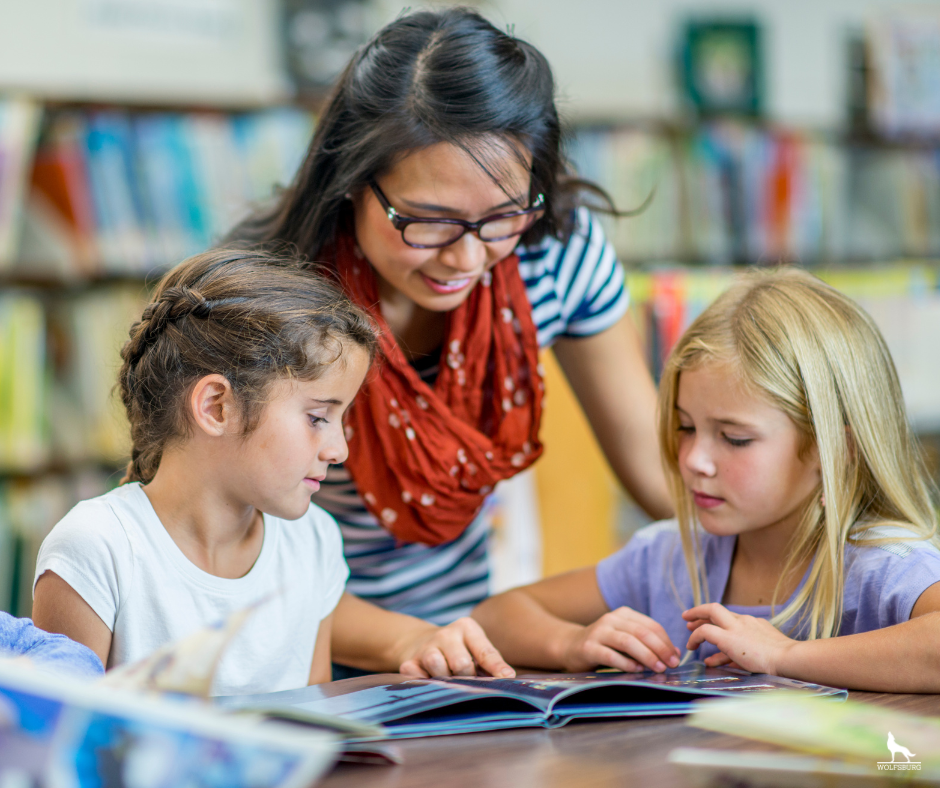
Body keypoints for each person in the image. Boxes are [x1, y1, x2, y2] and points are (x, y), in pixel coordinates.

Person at [228, 8, 671, 632]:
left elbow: (662, 473)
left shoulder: (555, 256)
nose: (466, 259)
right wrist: (420, 644)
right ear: (354, 178)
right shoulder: (264, 301)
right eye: (427, 220)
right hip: (297, 648)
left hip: (455, 649)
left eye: (502, 216)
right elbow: (218, 557)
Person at [31, 249, 513, 696]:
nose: (340, 450)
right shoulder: (95, 548)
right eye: (318, 418)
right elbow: (59, 749)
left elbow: (318, 731)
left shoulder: (314, 541)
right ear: (217, 407)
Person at [473, 268, 940, 692]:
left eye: (734, 439)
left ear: (834, 451)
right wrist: (572, 643)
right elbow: (494, 617)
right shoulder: (668, 556)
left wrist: (784, 655)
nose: (695, 460)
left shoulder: (883, 564)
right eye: (685, 427)